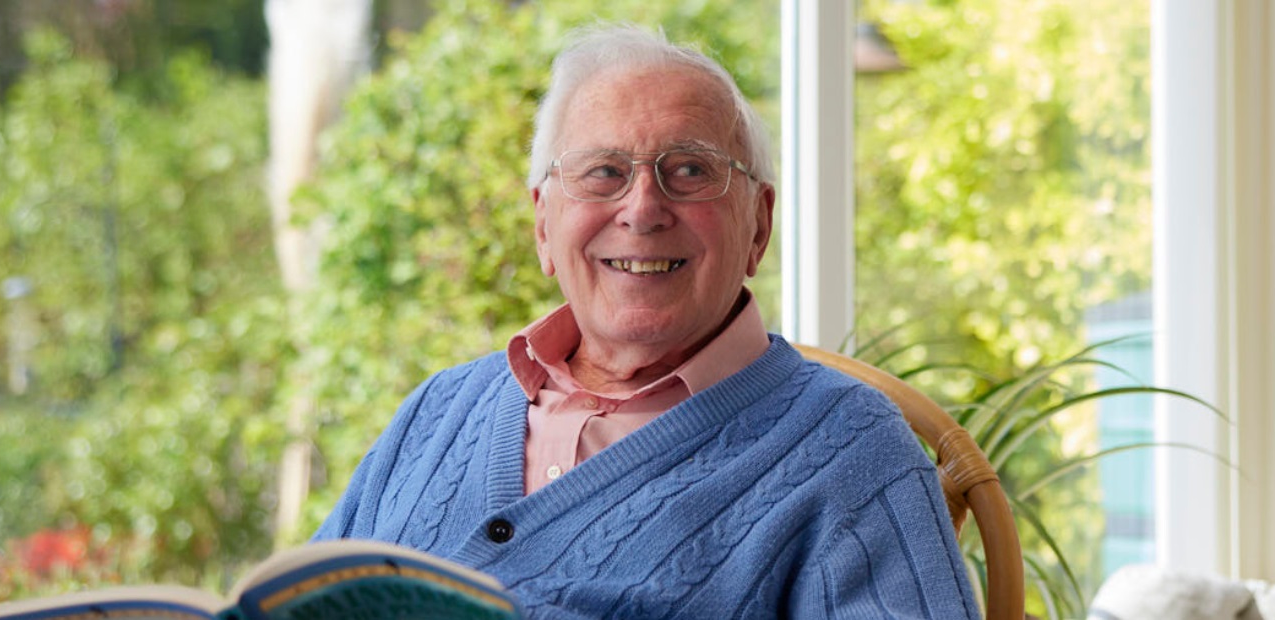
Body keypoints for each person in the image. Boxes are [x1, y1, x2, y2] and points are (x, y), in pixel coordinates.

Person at [313, 25, 979, 619]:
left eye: (689, 171)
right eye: (603, 173)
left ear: (759, 227)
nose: (642, 208)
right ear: (544, 226)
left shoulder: (850, 451)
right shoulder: (437, 411)